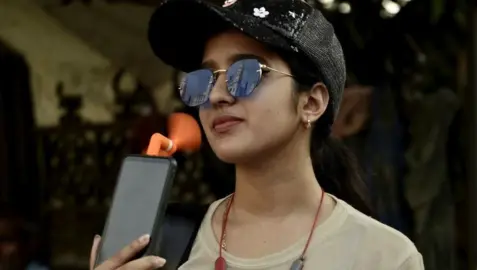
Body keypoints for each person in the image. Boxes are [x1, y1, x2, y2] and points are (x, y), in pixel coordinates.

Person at [90, 0, 424, 269]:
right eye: (201, 80)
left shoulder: (384, 257)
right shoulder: (161, 247)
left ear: (311, 102)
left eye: (246, 72)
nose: (217, 95)